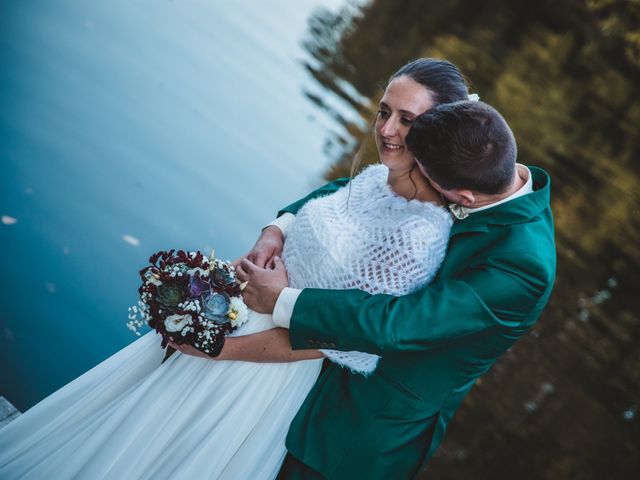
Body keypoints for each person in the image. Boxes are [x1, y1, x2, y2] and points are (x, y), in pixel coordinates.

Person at [0, 58, 468, 480]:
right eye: (385, 111)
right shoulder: (373, 181)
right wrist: (268, 241)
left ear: (441, 132)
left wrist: (223, 350)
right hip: (232, 315)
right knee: (123, 432)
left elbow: (336, 343)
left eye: (407, 120)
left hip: (259, 372)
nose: (386, 129)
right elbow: (310, 231)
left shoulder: (419, 235)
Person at [231, 101, 556, 478]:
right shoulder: (478, 155)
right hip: (300, 365)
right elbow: (368, 191)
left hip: (360, 425)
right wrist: (279, 228)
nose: (416, 176)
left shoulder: (522, 268)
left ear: (464, 199)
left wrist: (283, 300)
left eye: (426, 175)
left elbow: (398, 324)